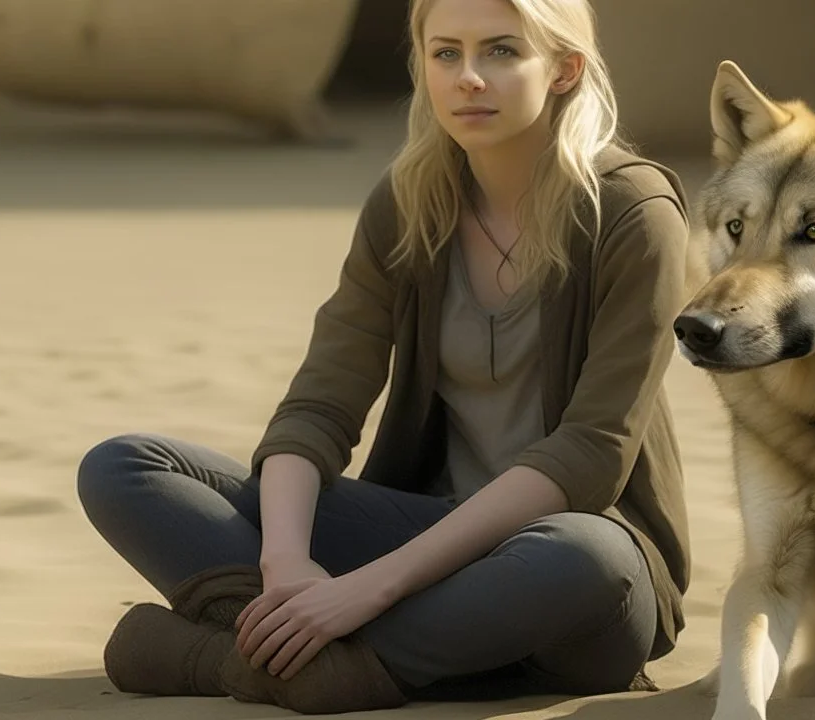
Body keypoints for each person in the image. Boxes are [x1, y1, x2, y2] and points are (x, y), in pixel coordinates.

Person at [76, 0, 693, 713]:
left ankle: (233, 660)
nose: (468, 78)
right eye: (445, 53)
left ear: (563, 69)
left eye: (500, 52)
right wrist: (286, 567)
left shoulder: (634, 214)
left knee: (588, 559)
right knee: (125, 467)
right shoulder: (408, 203)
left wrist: (368, 589)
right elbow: (319, 404)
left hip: (566, 569)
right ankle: (315, 653)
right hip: (425, 535)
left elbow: (591, 455)